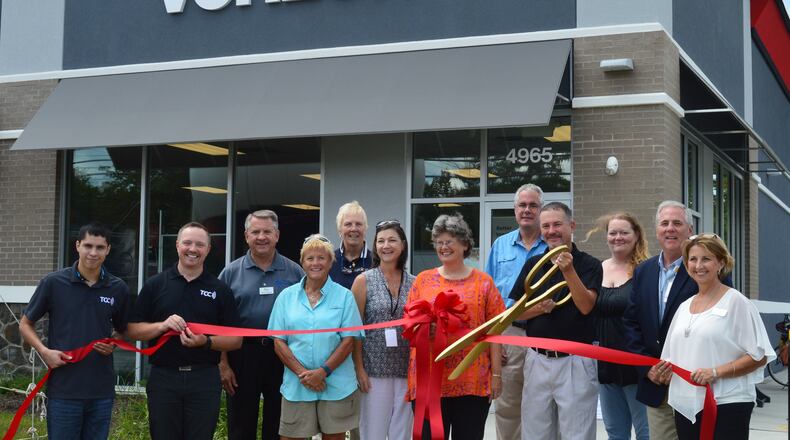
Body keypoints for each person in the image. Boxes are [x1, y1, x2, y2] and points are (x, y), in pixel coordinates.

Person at [623, 201, 729, 440]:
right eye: (664, 223)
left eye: (677, 223)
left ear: (689, 230)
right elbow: (631, 323)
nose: (670, 228)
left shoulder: (705, 269)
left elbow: (723, 323)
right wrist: (647, 368)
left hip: (696, 384)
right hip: (657, 384)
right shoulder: (643, 271)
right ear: (657, 230)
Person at [127, 222, 242, 440]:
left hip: (204, 379)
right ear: (177, 244)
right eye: (187, 243)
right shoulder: (155, 285)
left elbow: (236, 340)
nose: (193, 249)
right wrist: (162, 326)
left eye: (200, 244)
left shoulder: (220, 290)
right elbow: (132, 330)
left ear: (208, 249)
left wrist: (205, 342)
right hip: (164, 377)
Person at [652, 234, 773, 439]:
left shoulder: (736, 302)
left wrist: (716, 372)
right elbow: (671, 359)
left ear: (721, 263)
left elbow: (759, 355)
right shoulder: (683, 307)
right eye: (693, 259)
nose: (699, 265)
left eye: (706, 259)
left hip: (726, 403)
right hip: (686, 405)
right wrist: (660, 373)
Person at [20, 222, 130, 440]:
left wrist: (114, 343)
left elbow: (123, 330)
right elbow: (25, 323)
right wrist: (44, 351)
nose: (93, 252)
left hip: (100, 392)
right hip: (64, 391)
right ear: (77, 245)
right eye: (88, 245)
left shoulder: (118, 288)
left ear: (107, 250)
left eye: (100, 247)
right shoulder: (53, 283)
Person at [508, 202, 602, 440]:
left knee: (577, 434)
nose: (551, 231)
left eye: (557, 224)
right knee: (535, 433)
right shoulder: (533, 264)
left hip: (575, 361)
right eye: (546, 226)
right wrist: (538, 309)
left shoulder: (590, 264)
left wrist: (569, 271)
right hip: (537, 359)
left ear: (571, 226)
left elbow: (586, 306)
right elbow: (514, 313)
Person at [407, 214, 504, 439]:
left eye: (449, 241)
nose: (443, 247)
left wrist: (496, 375)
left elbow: (495, 331)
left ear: (465, 244)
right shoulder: (422, 280)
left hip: (472, 380)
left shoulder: (484, 282)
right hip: (429, 379)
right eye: (439, 242)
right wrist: (423, 330)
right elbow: (410, 324)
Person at [268, 234, 365, 440]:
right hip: (297, 385)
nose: (315, 263)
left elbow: (349, 341)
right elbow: (278, 342)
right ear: (302, 262)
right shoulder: (286, 297)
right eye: (310, 258)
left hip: (336, 385)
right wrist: (304, 374)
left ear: (331, 262)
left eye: (322, 258)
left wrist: (323, 372)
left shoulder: (345, 296)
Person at [218, 210, 305, 440]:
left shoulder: (294, 271)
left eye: (267, 231)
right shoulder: (230, 273)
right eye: (255, 232)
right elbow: (218, 323)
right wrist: (223, 363)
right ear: (246, 236)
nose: (261, 237)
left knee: (278, 422)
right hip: (242, 355)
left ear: (277, 235)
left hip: (283, 355)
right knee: (240, 422)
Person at [484, 183, 547, 440]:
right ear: (514, 210)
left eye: (533, 205)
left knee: (542, 407)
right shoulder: (501, 245)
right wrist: (494, 344)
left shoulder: (552, 245)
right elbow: (487, 297)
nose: (527, 210)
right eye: (522, 205)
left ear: (541, 210)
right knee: (508, 408)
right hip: (509, 334)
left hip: (544, 332)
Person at [586, 213, 650, 440]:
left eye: (624, 232)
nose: (618, 237)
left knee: (646, 432)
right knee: (615, 433)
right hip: (605, 365)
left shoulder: (646, 271)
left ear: (636, 236)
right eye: (613, 232)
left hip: (636, 365)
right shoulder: (597, 269)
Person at [351, 220, 415, 440]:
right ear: (375, 247)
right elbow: (354, 330)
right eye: (381, 241)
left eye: (392, 240)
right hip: (373, 371)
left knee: (402, 434)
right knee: (373, 433)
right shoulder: (363, 281)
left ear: (403, 245)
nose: (386, 245)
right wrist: (359, 369)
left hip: (407, 370)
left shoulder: (415, 282)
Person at [329, 201, 373, 289]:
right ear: (339, 229)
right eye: (348, 224)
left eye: (358, 224)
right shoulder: (329, 261)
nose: (353, 228)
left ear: (365, 228)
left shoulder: (376, 262)